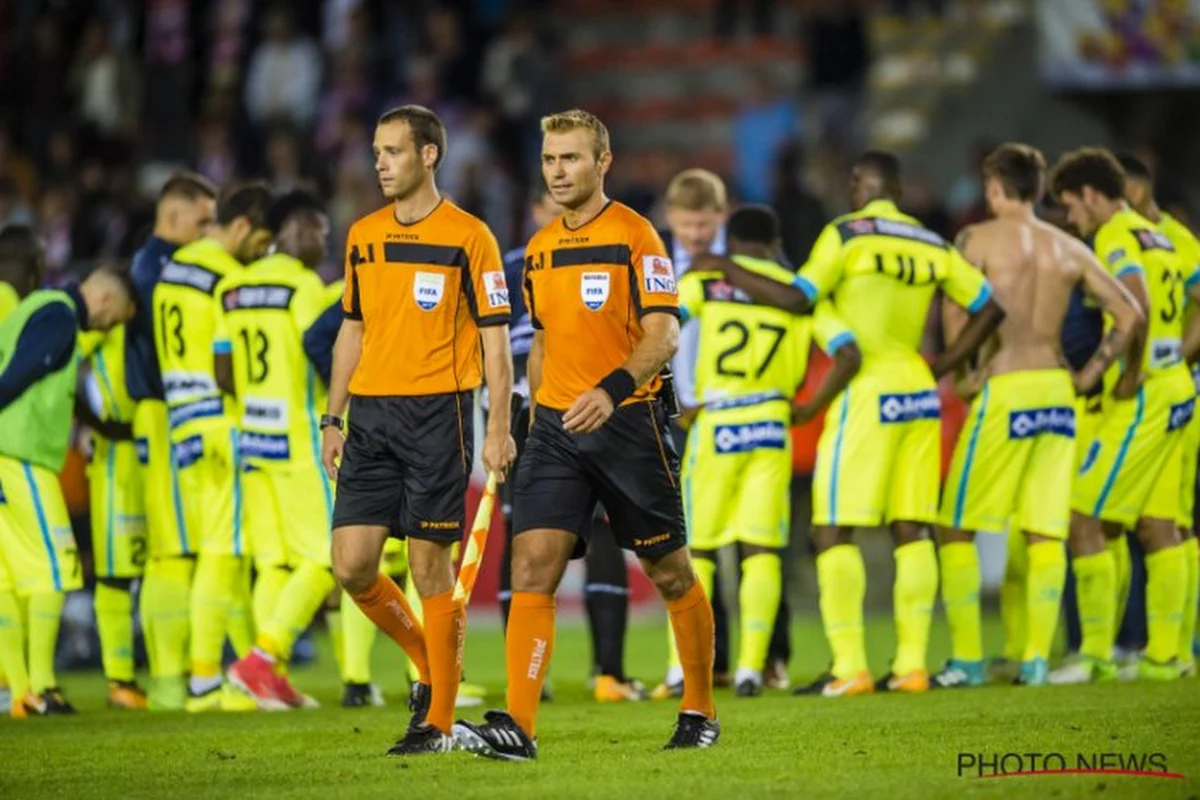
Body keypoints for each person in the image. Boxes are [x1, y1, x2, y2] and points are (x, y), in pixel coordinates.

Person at [453, 108, 720, 761]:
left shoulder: (638, 236)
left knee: (669, 569)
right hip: (556, 429)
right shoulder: (539, 249)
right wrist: (531, 411)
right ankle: (519, 726)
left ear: (603, 162)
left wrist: (611, 391)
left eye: (571, 158)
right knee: (531, 565)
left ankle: (700, 709)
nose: (559, 171)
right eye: (550, 160)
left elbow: (663, 335)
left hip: (630, 423)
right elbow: (541, 340)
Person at [714, 151, 1004, 696]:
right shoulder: (931, 241)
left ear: (858, 184)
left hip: (866, 391)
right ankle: (913, 666)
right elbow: (990, 306)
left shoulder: (846, 234)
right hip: (920, 392)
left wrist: (727, 268)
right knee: (912, 528)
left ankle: (851, 667)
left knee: (831, 530)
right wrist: (943, 365)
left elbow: (798, 300)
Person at [321, 105, 516, 755]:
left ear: (429, 156)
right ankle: (433, 669)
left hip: (440, 415)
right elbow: (353, 325)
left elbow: (495, 341)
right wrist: (333, 415)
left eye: (392, 151)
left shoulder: (471, 237)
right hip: (370, 417)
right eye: (375, 151)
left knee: (432, 567)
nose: (378, 162)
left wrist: (497, 428)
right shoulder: (363, 234)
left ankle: (435, 721)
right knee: (350, 567)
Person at [931, 143, 1144, 689]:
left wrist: (964, 373)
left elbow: (958, 306)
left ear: (995, 187)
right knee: (1046, 532)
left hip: (1007, 386)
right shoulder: (1067, 245)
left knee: (954, 527)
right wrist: (1092, 371)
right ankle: (1033, 661)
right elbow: (1128, 312)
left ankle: (969, 660)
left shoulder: (976, 239)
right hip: (1057, 392)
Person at [681, 205, 861, 697]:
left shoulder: (709, 280)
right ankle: (749, 668)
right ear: (772, 242)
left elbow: (664, 326)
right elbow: (848, 353)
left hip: (717, 420)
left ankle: (688, 668)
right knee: (761, 550)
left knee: (699, 549)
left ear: (732, 240)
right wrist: (809, 407)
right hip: (771, 425)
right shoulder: (799, 294)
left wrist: (675, 398)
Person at [1048, 148, 1199, 683]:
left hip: (1144, 396)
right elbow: (1194, 297)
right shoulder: (1160, 234)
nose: (1071, 219)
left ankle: (1093, 655)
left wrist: (1111, 371)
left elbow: (1131, 309)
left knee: (1082, 514)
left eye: (1071, 206)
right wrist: (1174, 355)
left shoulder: (1115, 237)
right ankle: (1168, 656)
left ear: (1092, 195)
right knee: (1161, 526)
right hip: (1177, 387)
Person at [153, 181, 275, 712]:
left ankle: (233, 671)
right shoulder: (226, 274)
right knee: (222, 553)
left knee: (214, 548)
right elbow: (228, 364)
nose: (263, 256)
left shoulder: (173, 269)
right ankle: (204, 678)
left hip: (181, 421)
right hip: (221, 421)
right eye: (262, 243)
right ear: (243, 226)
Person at [0, 262, 137, 717]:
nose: (109, 325)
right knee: (57, 569)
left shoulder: (32, 307)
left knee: (8, 581)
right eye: (114, 317)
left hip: (10, 456)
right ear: (103, 299)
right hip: (19, 456)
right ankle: (42, 686)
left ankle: (21, 693)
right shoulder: (59, 314)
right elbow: (20, 373)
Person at [218, 190, 336, 708]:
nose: (323, 243)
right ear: (295, 232)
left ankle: (265, 681)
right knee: (331, 555)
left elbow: (222, 369)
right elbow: (320, 350)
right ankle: (262, 658)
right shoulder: (303, 284)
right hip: (298, 438)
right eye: (319, 232)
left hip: (252, 439)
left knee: (274, 564)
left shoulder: (233, 287)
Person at [125, 172, 218, 711]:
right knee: (173, 550)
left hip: (165, 413)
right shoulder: (158, 269)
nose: (210, 232)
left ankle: (172, 676)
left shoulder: (153, 266)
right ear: (175, 215)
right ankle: (167, 679)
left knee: (176, 548)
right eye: (204, 221)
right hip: (163, 413)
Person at [1120, 152, 1200, 677]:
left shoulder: (1160, 238)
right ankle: (1174, 645)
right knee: (1169, 520)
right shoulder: (1174, 240)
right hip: (1173, 387)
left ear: (1139, 189)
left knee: (1162, 518)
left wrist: (1176, 357)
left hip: (1160, 389)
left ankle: (1170, 643)